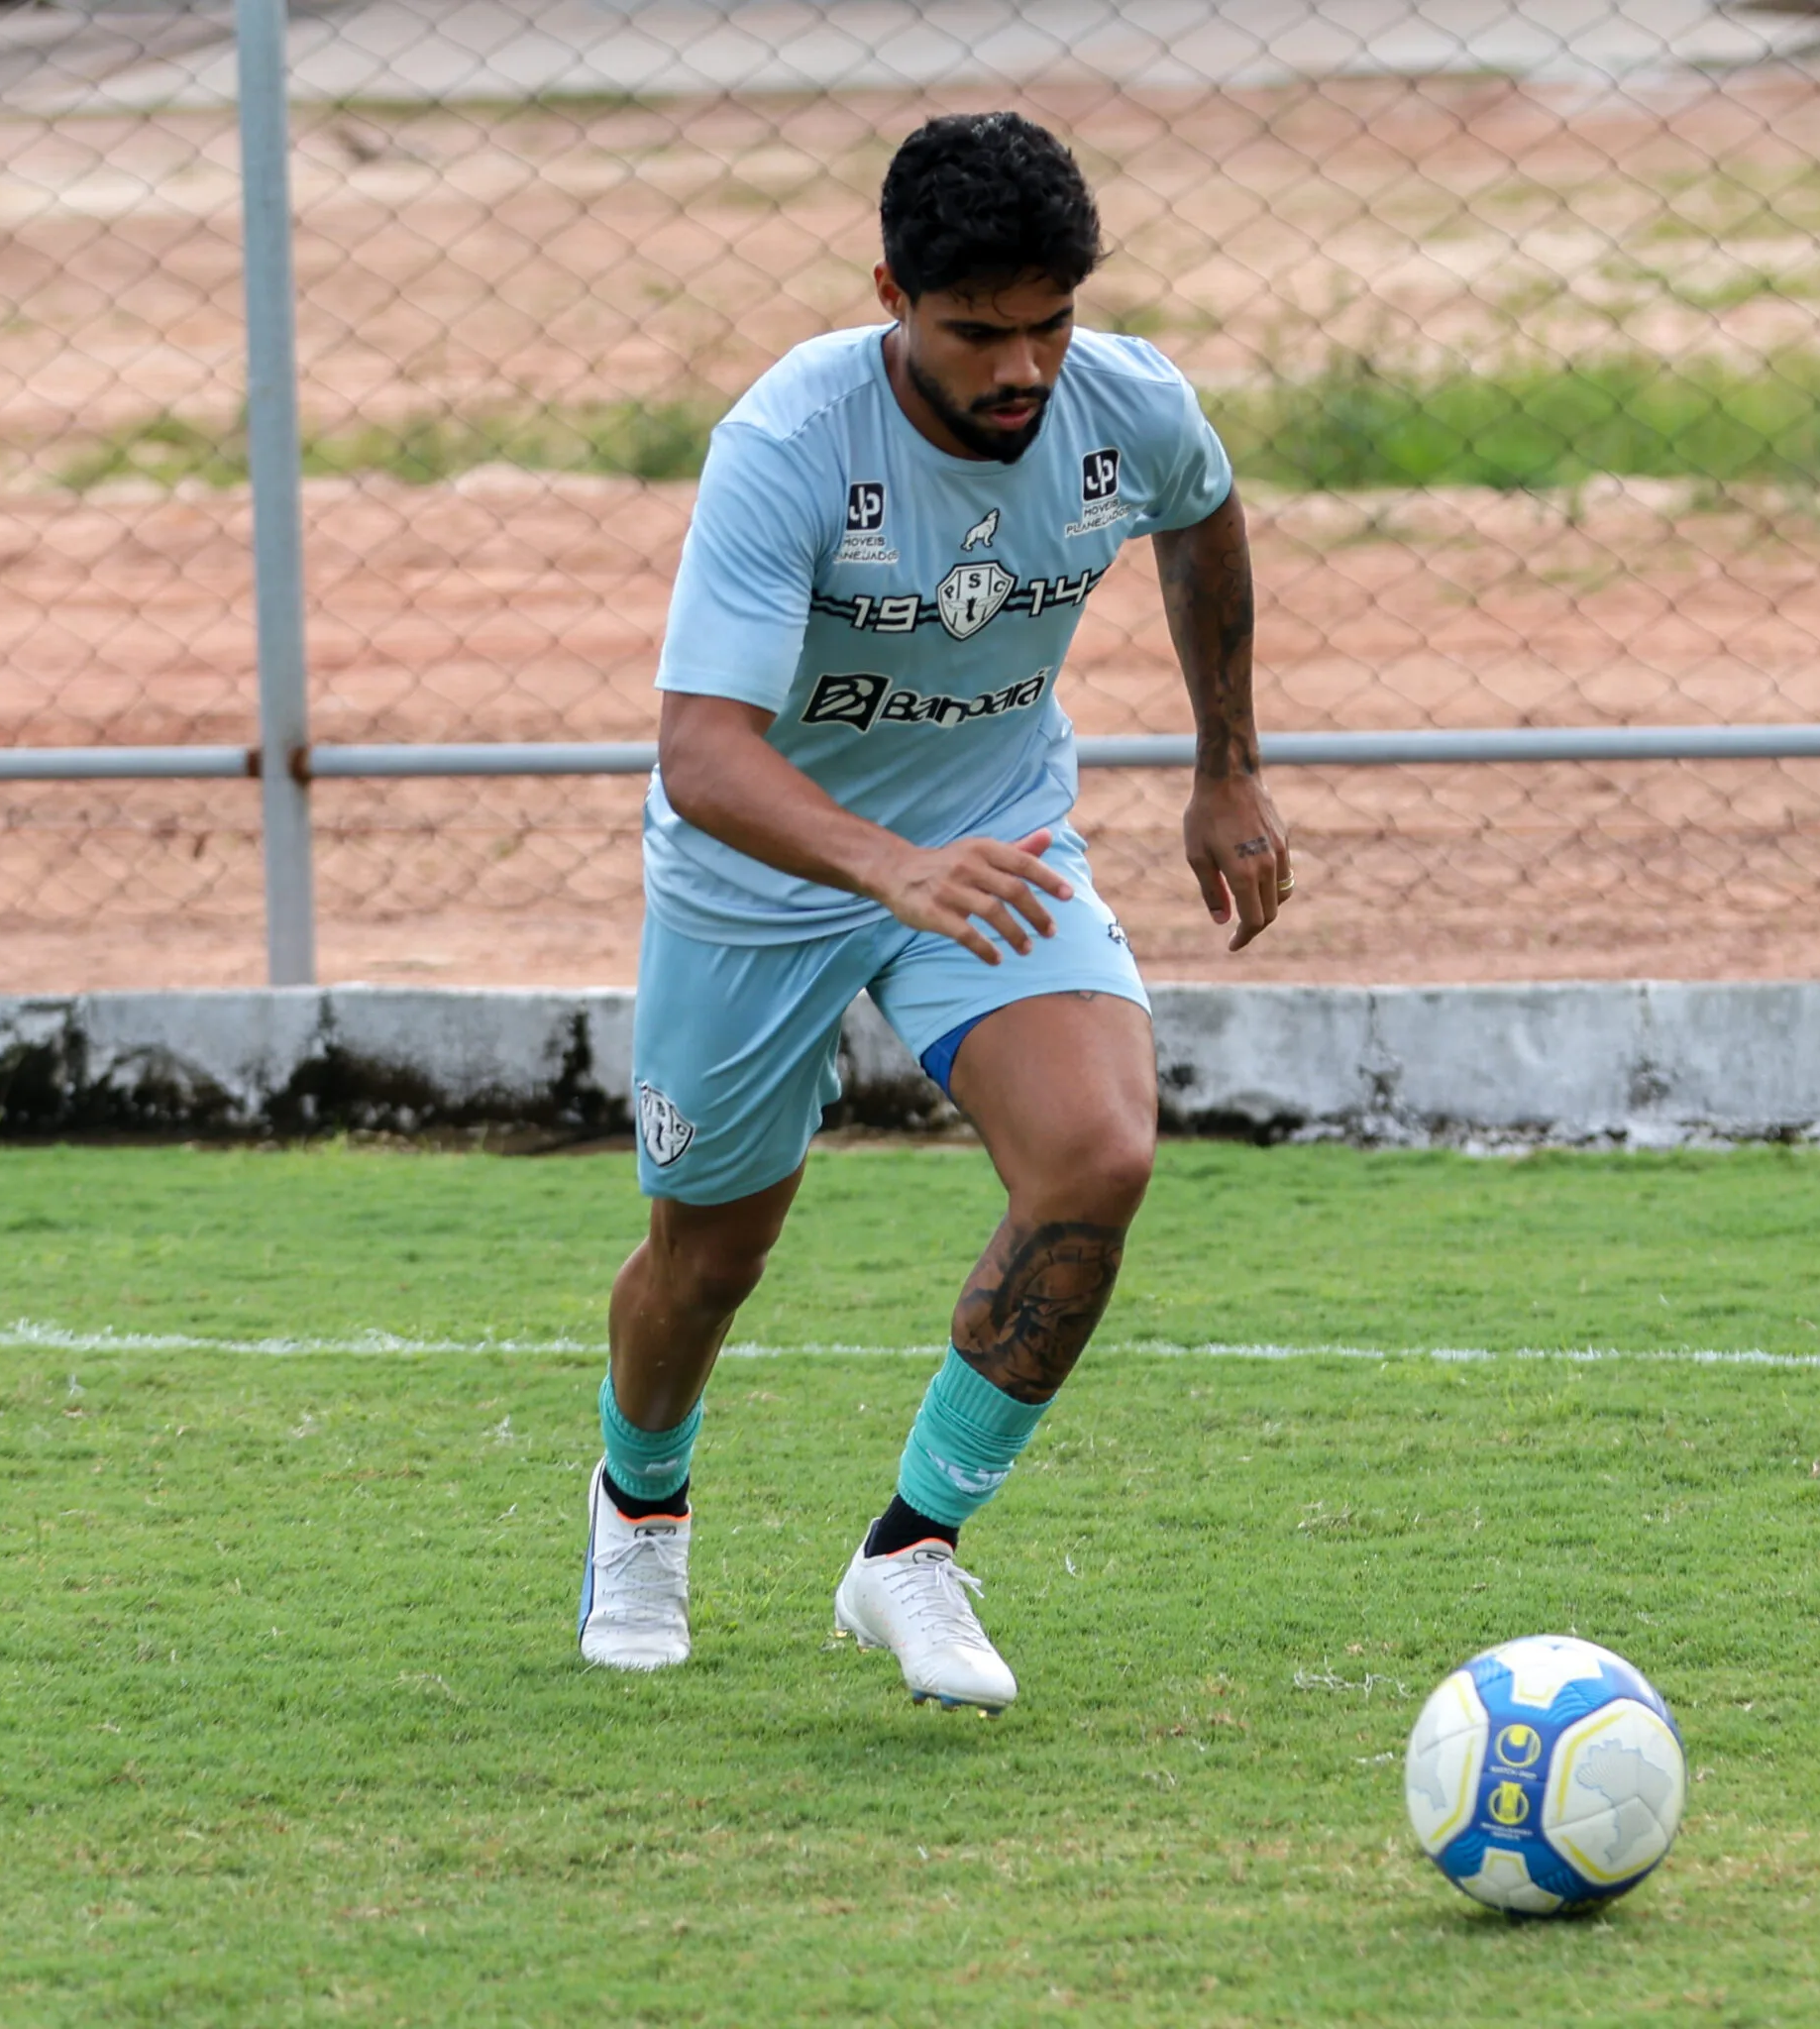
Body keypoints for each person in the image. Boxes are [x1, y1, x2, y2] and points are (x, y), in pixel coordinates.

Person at [579, 109, 1292, 1711]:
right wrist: (886, 869)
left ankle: (910, 1554)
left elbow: (1203, 509)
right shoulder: (788, 444)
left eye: (1051, 323)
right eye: (980, 332)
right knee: (710, 1257)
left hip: (991, 833)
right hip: (762, 874)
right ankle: (639, 1502)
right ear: (892, 292)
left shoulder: (1129, 406)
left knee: (1100, 1156)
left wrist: (1227, 766)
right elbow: (701, 754)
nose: (1024, 368)